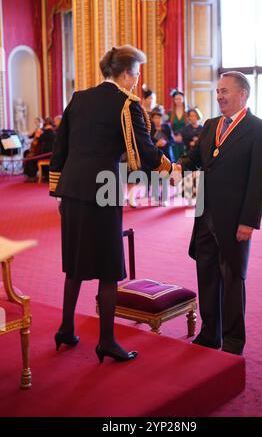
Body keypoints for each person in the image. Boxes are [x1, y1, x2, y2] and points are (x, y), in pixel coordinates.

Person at [49, 45, 173, 363]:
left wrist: (59, 190)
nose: (137, 79)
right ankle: (106, 341)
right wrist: (170, 170)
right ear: (128, 74)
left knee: (74, 264)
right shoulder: (126, 104)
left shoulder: (79, 98)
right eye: (137, 73)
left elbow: (59, 146)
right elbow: (145, 151)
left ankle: (65, 328)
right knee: (109, 268)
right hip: (103, 192)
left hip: (73, 191)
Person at [176, 71, 262, 356]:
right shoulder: (209, 126)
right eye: (217, 91)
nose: (219, 96)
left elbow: (260, 181)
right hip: (205, 218)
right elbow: (193, 159)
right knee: (206, 277)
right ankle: (210, 334)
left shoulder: (261, 130)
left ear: (242, 94)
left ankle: (233, 342)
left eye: (225, 91)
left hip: (235, 222)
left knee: (233, 281)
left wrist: (248, 222)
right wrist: (176, 167)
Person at [168, 89, 189, 161]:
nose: (178, 100)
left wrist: (182, 136)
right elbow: (168, 127)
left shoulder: (188, 113)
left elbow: (189, 127)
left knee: (185, 163)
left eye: (180, 98)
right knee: (174, 162)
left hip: (185, 140)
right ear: (174, 100)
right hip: (173, 141)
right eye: (176, 99)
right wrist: (173, 137)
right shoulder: (170, 113)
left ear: (183, 99)